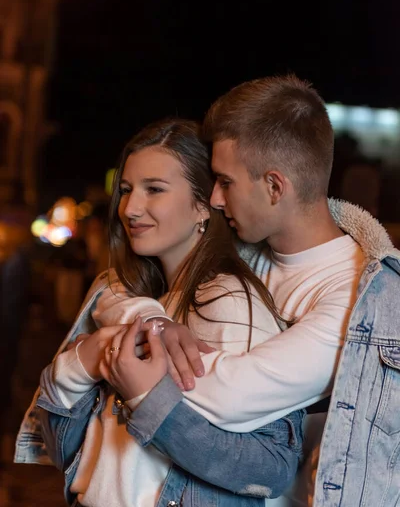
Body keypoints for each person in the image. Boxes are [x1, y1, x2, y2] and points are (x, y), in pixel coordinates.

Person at [107, 75, 400, 507]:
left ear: (275, 187)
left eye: (225, 182)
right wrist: (152, 318)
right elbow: (114, 286)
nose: (216, 199)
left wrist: (136, 350)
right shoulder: (241, 250)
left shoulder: (360, 302)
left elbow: (226, 395)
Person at [16, 119, 305, 507]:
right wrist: (78, 365)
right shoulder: (131, 297)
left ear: (204, 205)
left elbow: (269, 468)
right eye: (126, 190)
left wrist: (147, 399)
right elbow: (65, 450)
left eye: (154, 189)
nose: (130, 208)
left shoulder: (229, 302)